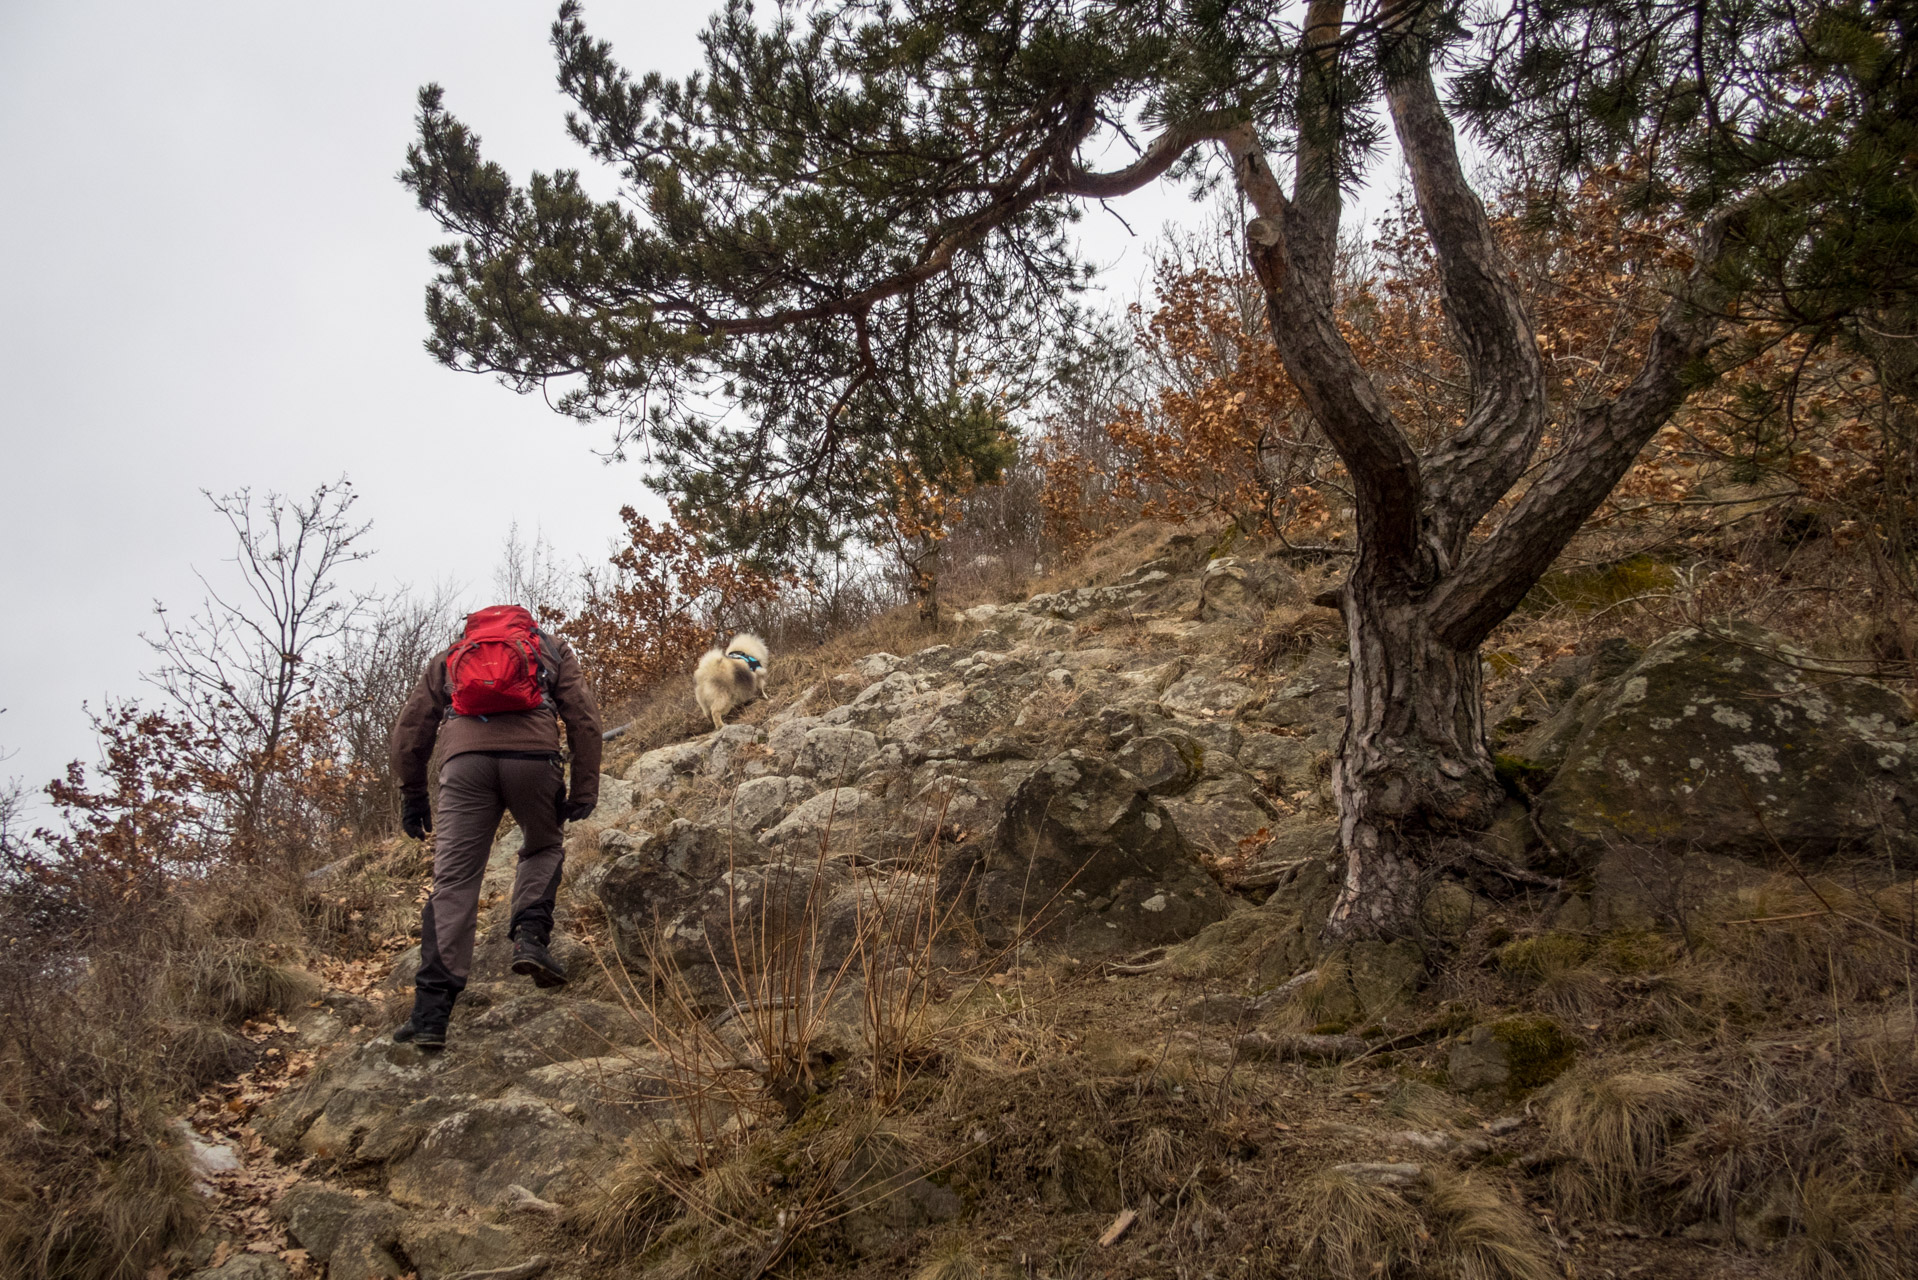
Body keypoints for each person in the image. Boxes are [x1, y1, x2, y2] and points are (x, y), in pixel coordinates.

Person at [387, 605, 602, 1049]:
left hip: (464, 765)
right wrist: (583, 789)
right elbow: (583, 719)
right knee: (542, 845)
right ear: (524, 625)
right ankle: (529, 939)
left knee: (455, 882)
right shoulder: (550, 648)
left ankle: (430, 1015)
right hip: (533, 761)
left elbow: (411, 730)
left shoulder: (451, 655)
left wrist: (413, 796)